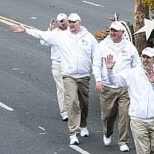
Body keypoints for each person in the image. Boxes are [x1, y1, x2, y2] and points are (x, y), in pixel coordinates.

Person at [14, 13, 97, 145]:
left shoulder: (89, 37)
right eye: (69, 22)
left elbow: (97, 57)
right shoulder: (61, 36)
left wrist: (99, 77)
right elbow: (43, 35)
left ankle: (83, 125)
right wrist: (26, 30)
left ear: (79, 22)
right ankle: (73, 133)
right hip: (68, 74)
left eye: (73, 22)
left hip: (83, 75)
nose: (71, 24)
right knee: (72, 103)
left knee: (84, 104)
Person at [92, 21, 139, 152]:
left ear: (122, 33)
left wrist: (134, 82)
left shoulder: (130, 48)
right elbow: (96, 64)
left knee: (124, 115)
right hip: (107, 87)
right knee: (107, 116)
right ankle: (107, 132)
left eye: (116, 31)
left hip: (124, 88)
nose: (112, 32)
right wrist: (98, 80)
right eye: (111, 30)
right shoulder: (102, 46)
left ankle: (123, 141)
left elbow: (137, 66)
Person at [42, 13, 69, 121]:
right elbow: (43, 42)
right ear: (57, 23)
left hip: (69, 65)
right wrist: (49, 30)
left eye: (65, 20)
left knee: (72, 88)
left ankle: (73, 109)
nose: (63, 23)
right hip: (57, 64)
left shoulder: (72, 32)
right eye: (61, 21)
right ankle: (64, 112)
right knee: (61, 88)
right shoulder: (53, 33)